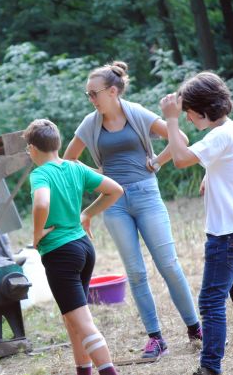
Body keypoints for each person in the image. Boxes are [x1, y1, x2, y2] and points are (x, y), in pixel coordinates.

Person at [63, 61, 201, 359]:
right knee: (136, 273)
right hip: (114, 203)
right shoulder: (90, 123)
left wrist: (159, 161)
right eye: (88, 94)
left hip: (147, 194)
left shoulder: (136, 112)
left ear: (113, 91)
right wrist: (97, 176)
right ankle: (156, 339)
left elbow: (181, 139)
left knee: (168, 265)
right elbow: (68, 159)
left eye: (94, 93)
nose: (90, 99)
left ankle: (195, 328)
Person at [161, 72, 233, 375]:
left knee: (211, 301)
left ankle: (209, 369)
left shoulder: (220, 135)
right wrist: (209, 174)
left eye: (187, 113)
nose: (186, 119)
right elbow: (227, 162)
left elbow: (181, 158)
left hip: (227, 232)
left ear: (201, 110)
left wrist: (169, 120)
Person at [25, 119, 124, 375]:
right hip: (83, 247)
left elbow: (41, 204)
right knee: (72, 318)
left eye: (27, 148)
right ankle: (83, 371)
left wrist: (37, 234)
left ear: (34, 148)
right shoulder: (74, 168)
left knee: (84, 322)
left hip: (61, 253)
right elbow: (115, 190)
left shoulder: (40, 174)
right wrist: (86, 214)